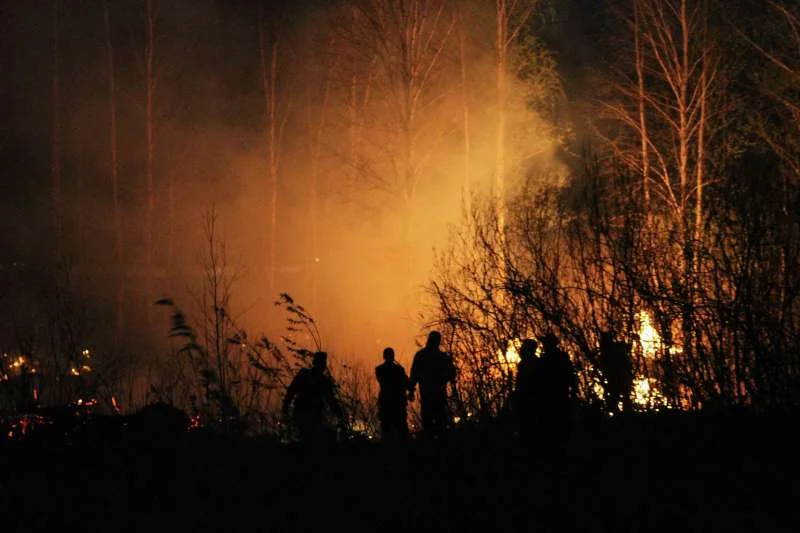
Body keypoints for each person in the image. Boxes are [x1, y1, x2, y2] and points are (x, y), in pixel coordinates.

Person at [282, 351, 343, 444]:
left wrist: (285, 408)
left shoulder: (305, 375)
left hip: (304, 415)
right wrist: (340, 415)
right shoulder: (321, 380)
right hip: (309, 415)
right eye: (322, 363)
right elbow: (331, 400)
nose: (323, 366)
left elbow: (290, 392)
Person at [533, 333, 577, 446]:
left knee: (558, 428)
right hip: (548, 399)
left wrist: (573, 392)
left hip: (557, 397)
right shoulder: (544, 360)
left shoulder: (558, 358)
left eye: (546, 343)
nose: (544, 345)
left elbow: (571, 376)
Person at [409, 331, 456, 437]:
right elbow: (452, 373)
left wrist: (411, 390)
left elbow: (414, 375)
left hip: (429, 395)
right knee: (439, 424)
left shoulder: (421, 355)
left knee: (431, 424)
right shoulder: (442, 357)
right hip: (436, 395)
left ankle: (432, 447)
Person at [375, 347, 410, 441]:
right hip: (397, 403)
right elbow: (407, 384)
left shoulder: (379, 369)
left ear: (384, 356)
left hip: (387, 402)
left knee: (387, 429)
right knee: (401, 428)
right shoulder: (399, 369)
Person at [599, 331, 634, 415]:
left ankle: (625, 415)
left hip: (620, 377)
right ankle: (621, 415)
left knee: (621, 396)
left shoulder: (611, 349)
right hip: (616, 377)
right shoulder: (608, 350)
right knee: (617, 396)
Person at [512, 338, 539, 443]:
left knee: (529, 431)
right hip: (524, 402)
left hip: (529, 403)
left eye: (524, 348)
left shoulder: (533, 364)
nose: (521, 350)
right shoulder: (525, 364)